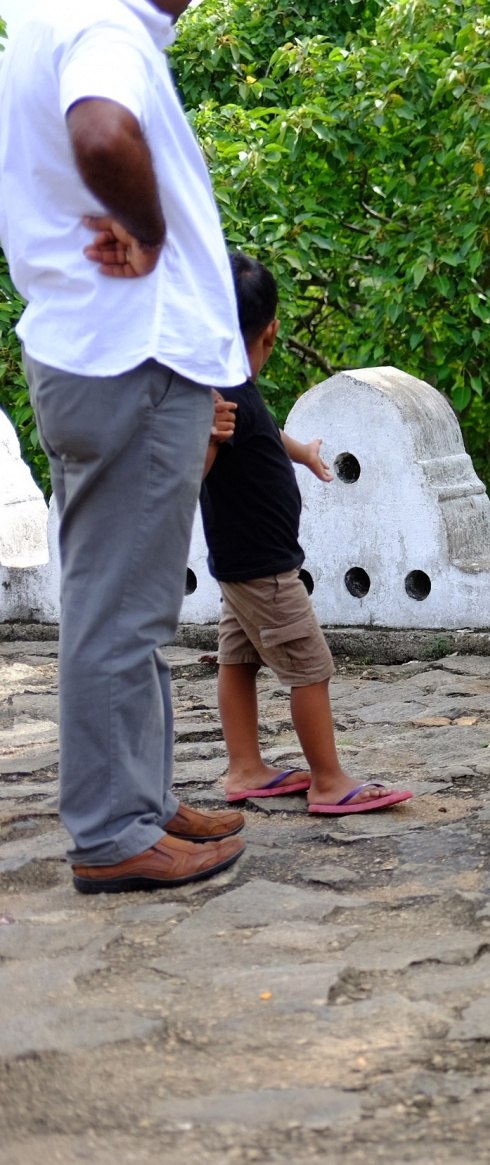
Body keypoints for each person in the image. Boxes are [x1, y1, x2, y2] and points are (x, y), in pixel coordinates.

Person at [0, 0, 249, 892]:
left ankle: (137, 798)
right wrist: (146, 227)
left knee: (118, 599)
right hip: (132, 356)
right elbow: (103, 135)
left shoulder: (44, 14)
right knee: (122, 610)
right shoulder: (103, 25)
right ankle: (113, 832)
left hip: (86, 351)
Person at [203, 253, 414, 817]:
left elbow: (262, 429)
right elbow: (188, 475)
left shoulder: (226, 388)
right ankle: (328, 779)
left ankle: (246, 767)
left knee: (238, 659)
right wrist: (205, 436)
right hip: (265, 568)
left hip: (241, 564)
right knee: (310, 667)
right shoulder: (216, 403)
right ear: (271, 330)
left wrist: (300, 452)